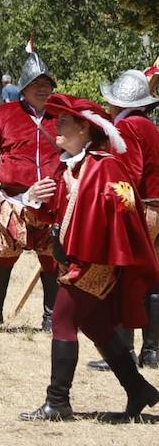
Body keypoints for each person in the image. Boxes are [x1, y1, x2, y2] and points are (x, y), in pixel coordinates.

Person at [19, 93, 159, 422]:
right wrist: (33, 200)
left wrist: (86, 254)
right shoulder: (70, 167)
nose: (57, 126)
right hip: (74, 260)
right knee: (97, 326)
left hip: (92, 262)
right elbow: (49, 215)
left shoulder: (106, 166)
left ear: (85, 128)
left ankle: (58, 402)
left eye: (64, 121)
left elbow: (120, 216)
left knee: (63, 320)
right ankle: (138, 389)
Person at [0, 44, 61, 330]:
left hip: (51, 201)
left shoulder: (61, 116)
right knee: (2, 252)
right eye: (36, 84)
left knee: (51, 257)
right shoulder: (7, 114)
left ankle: (51, 315)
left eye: (47, 84)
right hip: (13, 199)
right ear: (23, 88)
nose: (42, 89)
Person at [95, 69, 159, 370]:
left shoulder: (129, 128)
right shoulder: (147, 125)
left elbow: (128, 176)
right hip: (155, 208)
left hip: (141, 210)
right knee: (152, 281)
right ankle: (153, 351)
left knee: (125, 277)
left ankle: (124, 353)